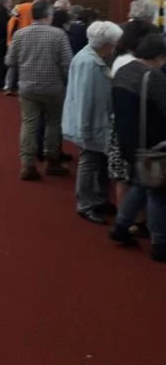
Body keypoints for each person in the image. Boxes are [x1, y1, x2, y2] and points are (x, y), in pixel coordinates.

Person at [109, 34, 166, 262]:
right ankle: (160, 244)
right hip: (154, 144)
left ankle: (121, 226)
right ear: (159, 56)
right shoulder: (154, 78)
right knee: (158, 193)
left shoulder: (123, 71)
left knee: (142, 185)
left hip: (128, 142)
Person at [61, 21, 123, 224]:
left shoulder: (91, 57)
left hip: (96, 121)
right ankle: (85, 204)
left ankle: (99, 199)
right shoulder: (89, 63)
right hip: (89, 122)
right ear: (105, 43)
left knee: (101, 162)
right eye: (113, 43)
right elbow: (85, 99)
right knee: (89, 163)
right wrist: (85, 129)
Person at [6, 0, 73, 181]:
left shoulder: (20, 34)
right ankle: (52, 161)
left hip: (27, 88)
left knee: (29, 124)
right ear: (47, 16)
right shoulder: (58, 35)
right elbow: (68, 64)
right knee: (53, 123)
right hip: (53, 88)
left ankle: (27, 164)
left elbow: (9, 61)